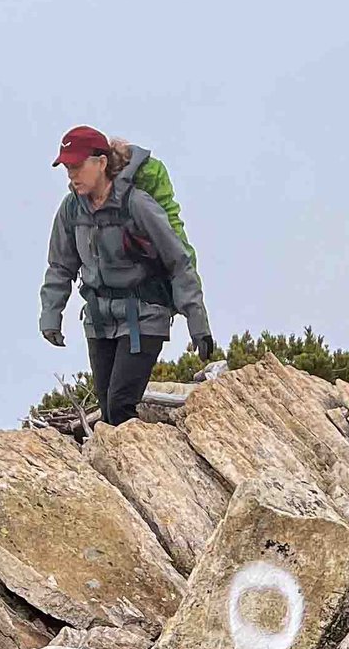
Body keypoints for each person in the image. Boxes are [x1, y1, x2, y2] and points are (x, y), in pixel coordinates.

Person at [39, 125, 216, 427]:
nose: (71, 173)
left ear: (102, 162)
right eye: (67, 167)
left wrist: (196, 321)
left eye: (78, 165)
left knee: (121, 405)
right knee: (108, 411)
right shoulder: (71, 209)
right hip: (99, 321)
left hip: (144, 315)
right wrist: (51, 315)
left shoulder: (136, 204)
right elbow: (60, 266)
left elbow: (178, 260)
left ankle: (147, 466)